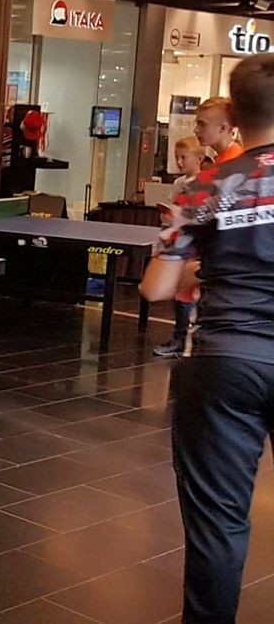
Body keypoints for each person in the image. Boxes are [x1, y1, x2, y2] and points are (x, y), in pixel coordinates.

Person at [141, 53, 274, 623]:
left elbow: (155, 288)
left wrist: (211, 269)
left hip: (224, 360)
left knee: (218, 524)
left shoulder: (203, 187)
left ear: (234, 117)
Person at [153, 135, 205, 357]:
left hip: (194, 246)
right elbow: (174, 210)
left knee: (187, 293)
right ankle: (181, 338)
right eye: (177, 157)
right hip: (178, 243)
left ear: (199, 158)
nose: (180, 162)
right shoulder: (178, 184)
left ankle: (184, 340)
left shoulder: (206, 183)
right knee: (180, 293)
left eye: (184, 157)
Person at [195, 96, 243, 167]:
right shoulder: (226, 158)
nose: (195, 130)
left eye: (202, 125)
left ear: (223, 128)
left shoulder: (233, 162)